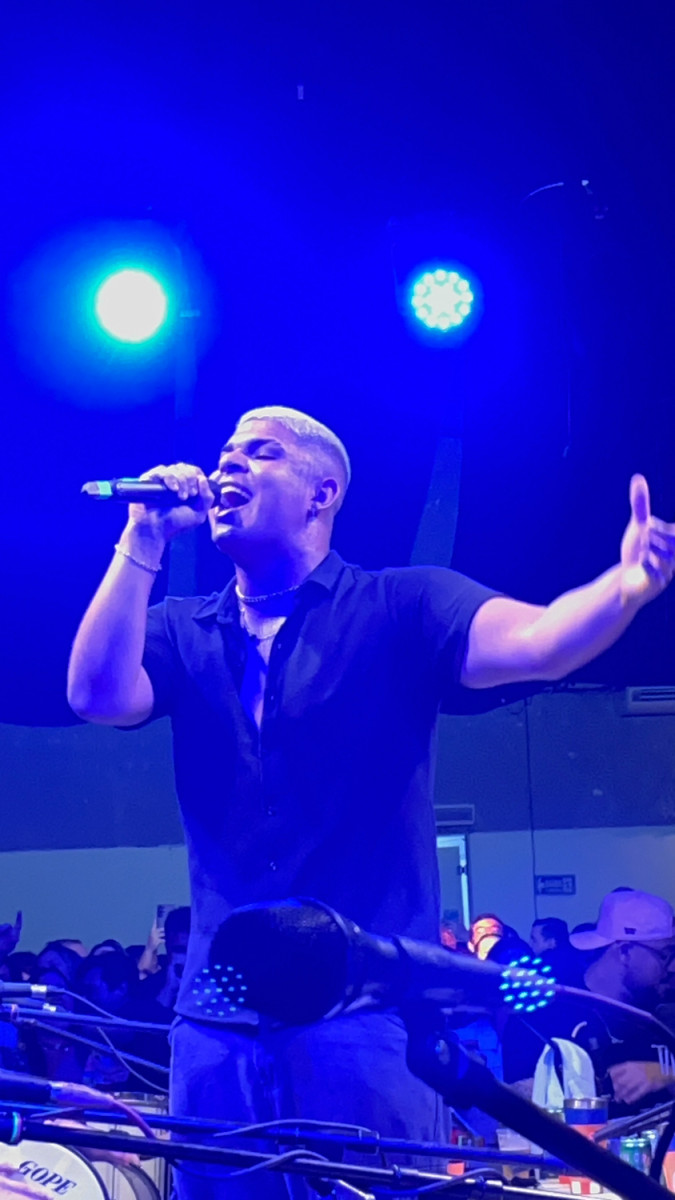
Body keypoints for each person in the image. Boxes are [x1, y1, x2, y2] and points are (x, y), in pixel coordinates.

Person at [67, 405, 675, 1199]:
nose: (228, 466)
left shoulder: (400, 606)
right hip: (219, 1021)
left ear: (321, 493)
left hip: (364, 1014)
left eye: (261, 453)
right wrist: (142, 539)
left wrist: (621, 590)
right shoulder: (184, 629)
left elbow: (539, 641)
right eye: (226, 453)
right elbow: (96, 694)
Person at [502, 889, 675, 1114]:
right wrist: (596, 1085)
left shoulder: (663, 1010)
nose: (672, 966)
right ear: (624, 952)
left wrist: (666, 1074)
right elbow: (517, 1102)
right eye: (665, 954)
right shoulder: (545, 1013)